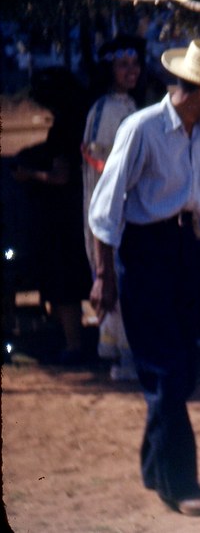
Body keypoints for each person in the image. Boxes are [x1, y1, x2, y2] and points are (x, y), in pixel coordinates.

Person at [88, 40, 200, 517]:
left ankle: (156, 467)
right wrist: (105, 275)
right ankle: (180, 486)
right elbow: (107, 206)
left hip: (189, 253)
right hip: (145, 256)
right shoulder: (141, 129)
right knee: (165, 371)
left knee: (181, 369)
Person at [12, 67, 92, 364]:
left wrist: (29, 173)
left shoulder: (66, 126)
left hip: (64, 216)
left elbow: (60, 176)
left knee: (64, 280)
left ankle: (73, 345)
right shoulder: (80, 119)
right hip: (79, 211)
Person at [82, 36, 145, 380]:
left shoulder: (129, 105)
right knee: (114, 276)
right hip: (110, 207)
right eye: (123, 65)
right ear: (109, 69)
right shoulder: (105, 110)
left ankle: (129, 354)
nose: (131, 71)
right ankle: (122, 358)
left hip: (126, 205)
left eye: (135, 65)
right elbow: (98, 163)